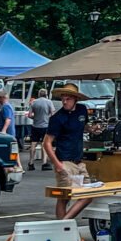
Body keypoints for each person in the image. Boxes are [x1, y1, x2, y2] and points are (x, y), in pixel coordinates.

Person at [43, 83, 93, 220]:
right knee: (64, 197)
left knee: (88, 194)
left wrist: (92, 129)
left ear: (75, 99)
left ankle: (64, 223)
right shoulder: (57, 118)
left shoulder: (82, 110)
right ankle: (64, 226)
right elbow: (46, 143)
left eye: (68, 99)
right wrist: (57, 164)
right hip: (64, 161)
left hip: (79, 161)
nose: (64, 102)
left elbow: (84, 125)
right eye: (62, 99)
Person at [26, 88, 55, 170]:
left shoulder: (34, 102)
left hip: (35, 126)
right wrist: (47, 118)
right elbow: (53, 114)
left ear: (39, 94)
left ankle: (31, 163)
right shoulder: (49, 102)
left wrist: (35, 118)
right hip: (45, 126)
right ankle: (44, 163)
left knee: (33, 144)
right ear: (46, 94)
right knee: (44, 144)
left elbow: (29, 115)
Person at [0, 91, 23, 171]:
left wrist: (3, 131)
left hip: (7, 133)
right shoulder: (8, 106)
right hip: (10, 132)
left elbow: (8, 119)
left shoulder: (6, 107)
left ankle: (11, 166)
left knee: (9, 150)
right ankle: (18, 165)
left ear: (2, 98)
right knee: (13, 149)